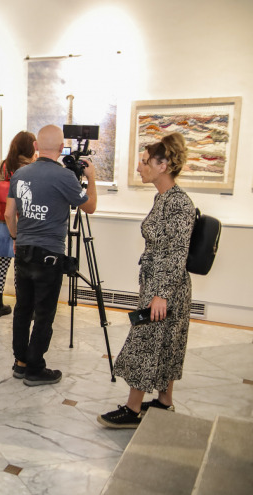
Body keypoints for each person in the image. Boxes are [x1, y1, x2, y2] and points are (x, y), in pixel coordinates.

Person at [98, 133, 194, 428]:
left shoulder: (179, 204)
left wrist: (161, 294)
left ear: (163, 165)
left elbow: (176, 253)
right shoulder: (163, 197)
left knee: (145, 343)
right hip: (157, 284)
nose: (140, 167)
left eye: (145, 161)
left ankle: (132, 409)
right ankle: (164, 403)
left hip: (167, 288)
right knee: (164, 344)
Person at [5, 125, 97, 385]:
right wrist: (91, 178)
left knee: (23, 309)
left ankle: (20, 362)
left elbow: (8, 214)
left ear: (36, 147)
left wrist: (15, 238)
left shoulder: (20, 174)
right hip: (50, 255)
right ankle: (35, 368)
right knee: (44, 313)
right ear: (60, 149)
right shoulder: (65, 177)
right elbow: (89, 206)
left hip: (23, 249)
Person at [0, 131, 36, 318]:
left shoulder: (5, 164)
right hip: (22, 219)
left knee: (2, 264)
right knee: (21, 267)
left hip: (1, 218)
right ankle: (23, 305)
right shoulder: (31, 167)